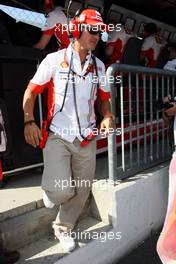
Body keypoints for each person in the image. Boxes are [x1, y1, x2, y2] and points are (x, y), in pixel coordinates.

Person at [23, 9, 113, 252]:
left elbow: (104, 98)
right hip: (58, 135)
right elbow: (31, 92)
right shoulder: (53, 60)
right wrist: (29, 120)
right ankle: (52, 191)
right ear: (76, 30)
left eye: (99, 32)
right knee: (62, 190)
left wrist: (107, 115)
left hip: (86, 137)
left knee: (81, 190)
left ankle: (63, 227)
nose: (96, 36)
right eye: (92, 30)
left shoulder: (100, 66)